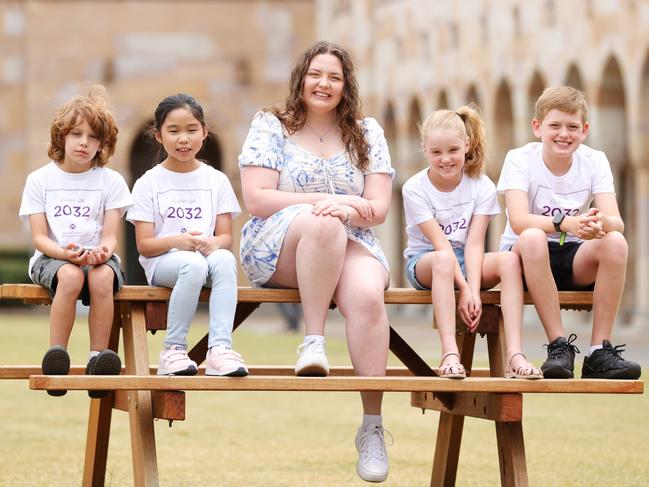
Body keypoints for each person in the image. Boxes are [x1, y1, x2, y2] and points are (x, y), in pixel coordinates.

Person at [238, 41, 394, 483]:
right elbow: (257, 198)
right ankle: (313, 339)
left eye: (334, 77)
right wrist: (334, 202)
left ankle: (373, 426)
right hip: (279, 241)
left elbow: (378, 207)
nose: (323, 84)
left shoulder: (366, 133)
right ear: (301, 79)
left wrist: (350, 209)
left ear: (346, 86)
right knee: (323, 225)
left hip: (353, 238)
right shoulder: (273, 126)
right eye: (316, 74)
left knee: (367, 297)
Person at [497, 86, 641, 380]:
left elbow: (617, 222)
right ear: (537, 128)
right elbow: (519, 222)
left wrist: (597, 223)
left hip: (575, 257)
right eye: (555, 126)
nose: (564, 134)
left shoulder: (594, 160)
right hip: (527, 260)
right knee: (534, 237)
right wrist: (566, 224)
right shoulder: (519, 158)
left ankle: (599, 351)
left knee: (615, 242)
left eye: (573, 127)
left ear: (584, 130)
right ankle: (558, 346)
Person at [402, 106, 542, 380]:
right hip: (427, 260)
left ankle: (515, 355)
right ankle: (450, 355)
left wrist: (474, 292)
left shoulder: (481, 186)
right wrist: (465, 289)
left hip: (468, 260)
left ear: (466, 145)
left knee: (509, 259)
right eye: (436, 152)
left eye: (453, 150)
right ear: (424, 150)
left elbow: (475, 243)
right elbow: (440, 244)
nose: (445, 159)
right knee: (444, 259)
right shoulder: (414, 188)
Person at [19, 86, 131, 398]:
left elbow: (110, 237)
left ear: (103, 144)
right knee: (68, 276)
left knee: (103, 277)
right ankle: (57, 357)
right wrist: (65, 254)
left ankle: (98, 359)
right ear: (61, 136)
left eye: (93, 137)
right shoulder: (40, 180)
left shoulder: (111, 182)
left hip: (98, 258)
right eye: (76, 134)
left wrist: (102, 253)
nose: (84, 142)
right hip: (52, 256)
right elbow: (40, 238)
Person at [127, 94, 248, 377]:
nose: (184, 139)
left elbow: (225, 236)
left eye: (192, 130)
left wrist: (211, 243)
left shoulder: (215, 180)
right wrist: (177, 242)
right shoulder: (148, 183)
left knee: (225, 260)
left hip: (203, 258)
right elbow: (145, 246)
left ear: (204, 132)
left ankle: (219, 350)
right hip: (163, 263)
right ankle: (173, 351)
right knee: (191, 264)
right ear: (158, 136)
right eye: (174, 131)